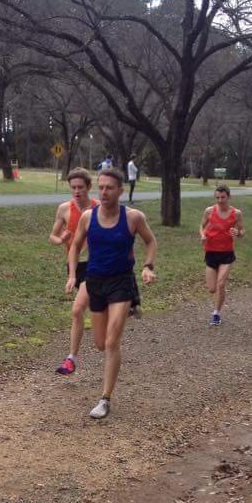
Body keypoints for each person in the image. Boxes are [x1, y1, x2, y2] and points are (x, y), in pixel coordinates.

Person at [67, 168, 157, 419]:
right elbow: (75, 246)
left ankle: (105, 399)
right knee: (99, 343)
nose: (104, 192)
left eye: (109, 187)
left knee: (111, 342)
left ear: (120, 190)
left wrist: (148, 266)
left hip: (121, 282)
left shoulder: (133, 217)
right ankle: (125, 312)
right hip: (95, 281)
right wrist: (73, 275)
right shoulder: (88, 217)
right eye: (101, 187)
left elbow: (150, 241)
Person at [49, 168, 97, 375]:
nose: (77, 191)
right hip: (75, 264)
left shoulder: (99, 207)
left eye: (80, 187)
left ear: (89, 187)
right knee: (90, 309)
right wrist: (61, 239)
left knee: (77, 310)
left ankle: (70, 359)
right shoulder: (63, 209)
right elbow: (53, 236)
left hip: (95, 264)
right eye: (73, 187)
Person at [200, 185, 244, 326]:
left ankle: (216, 313)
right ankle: (218, 300)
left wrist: (238, 233)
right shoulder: (209, 211)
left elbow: (242, 231)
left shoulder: (236, 213)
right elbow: (201, 226)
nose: (220, 200)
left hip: (226, 253)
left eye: (223, 197)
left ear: (229, 197)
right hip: (211, 252)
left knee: (220, 284)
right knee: (212, 288)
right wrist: (202, 235)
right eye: (217, 197)